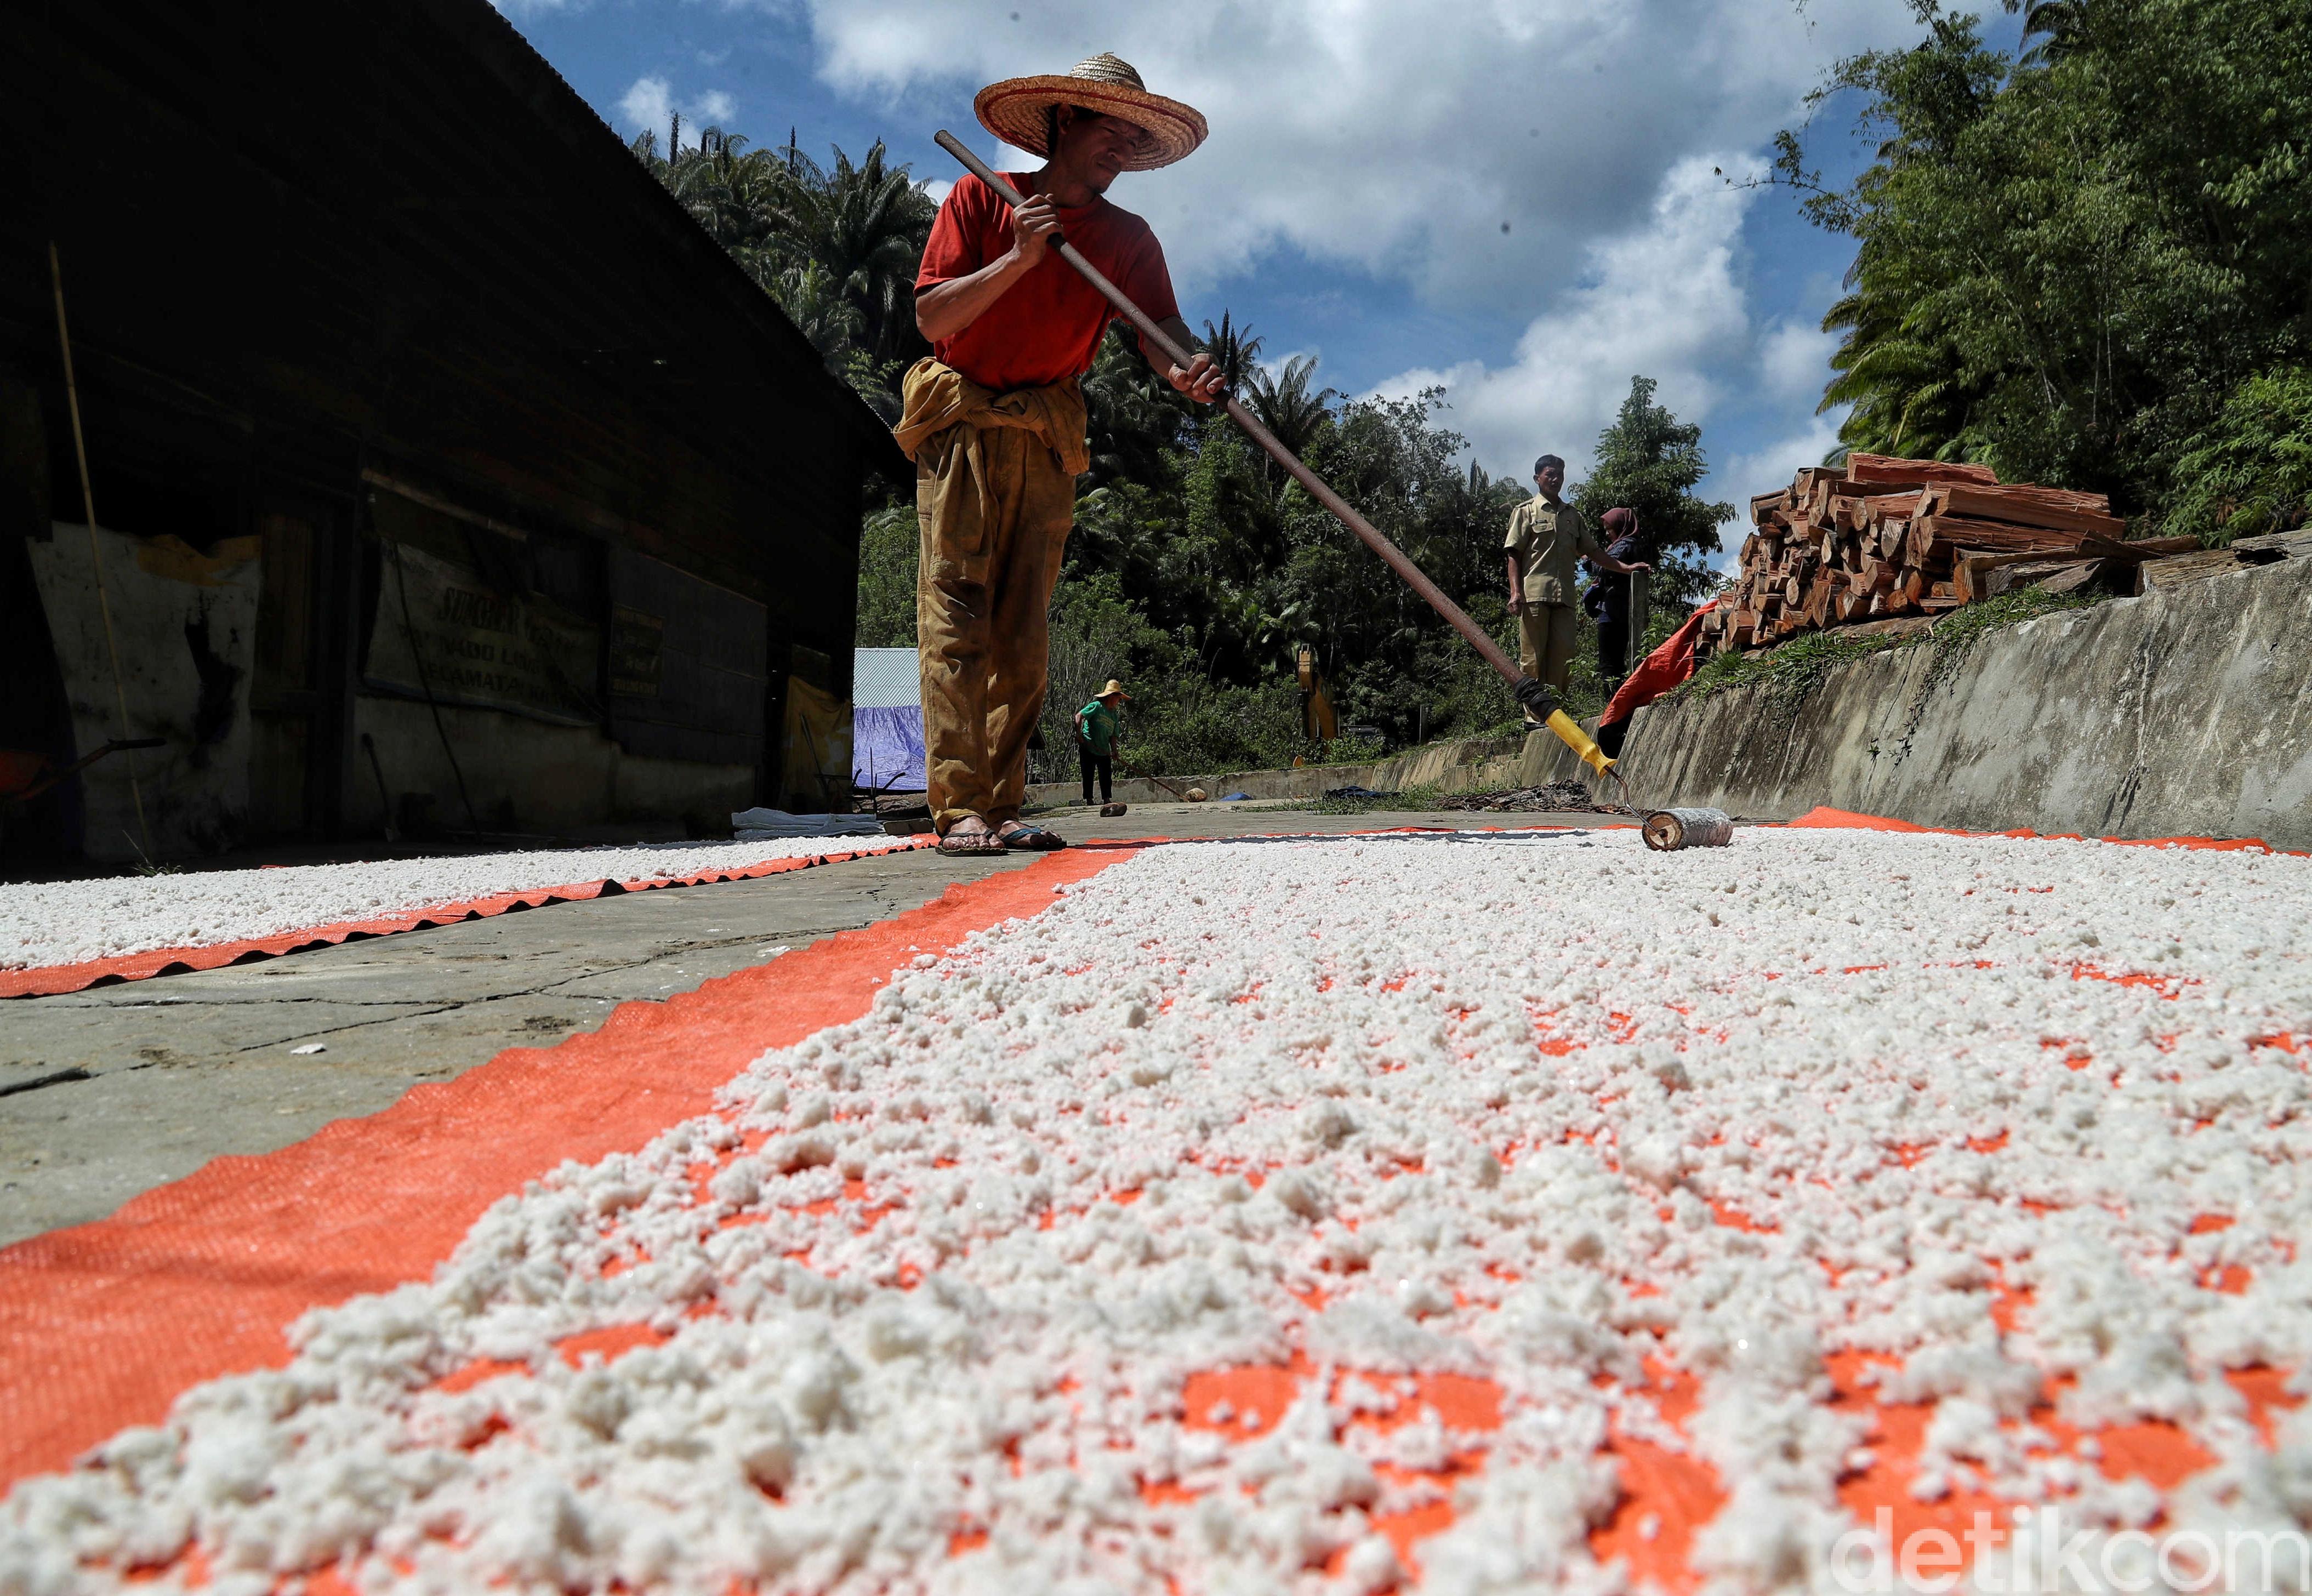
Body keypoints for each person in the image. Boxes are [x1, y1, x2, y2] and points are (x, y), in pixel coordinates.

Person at [895, 54, 1225, 856]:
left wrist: (1186, 366)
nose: (1120, 148)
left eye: (1133, 137)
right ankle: (960, 807)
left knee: (1022, 629)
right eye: (1109, 128)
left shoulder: (1126, 240)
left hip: (1046, 434)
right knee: (956, 619)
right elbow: (935, 321)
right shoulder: (984, 197)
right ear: (1065, 125)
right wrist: (1017, 259)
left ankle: (1003, 808)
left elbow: (1160, 330)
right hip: (966, 425)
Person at [1504, 454, 1650, 727]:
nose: (1556, 478)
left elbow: (1595, 553)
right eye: (1550, 474)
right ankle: (1534, 716)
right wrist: (1516, 592)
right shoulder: (1525, 511)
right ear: (1538, 478)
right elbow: (1514, 554)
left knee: (1564, 656)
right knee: (1533, 657)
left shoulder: (1573, 516)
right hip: (1534, 594)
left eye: (1560, 473)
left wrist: (1627, 569)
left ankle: (1555, 713)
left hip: (1565, 599)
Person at [1583, 505, 1654, 697]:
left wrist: (1589, 557)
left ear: (1621, 526)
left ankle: (1611, 701)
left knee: (1608, 662)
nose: (1608, 534)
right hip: (1620, 609)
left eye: (1610, 529)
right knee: (1616, 661)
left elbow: (1604, 567)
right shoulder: (1630, 545)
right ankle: (1618, 699)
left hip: (1613, 611)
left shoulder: (1625, 545)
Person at [1075, 680, 1128, 806]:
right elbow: (1079, 716)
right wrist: (1079, 735)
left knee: (1106, 775)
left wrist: (1115, 750)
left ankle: (1106, 798)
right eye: (1118, 698)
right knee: (1088, 774)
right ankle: (1089, 799)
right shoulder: (1096, 706)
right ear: (1111, 696)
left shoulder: (1114, 715)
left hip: (1104, 749)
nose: (1119, 701)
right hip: (1089, 746)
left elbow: (1113, 736)